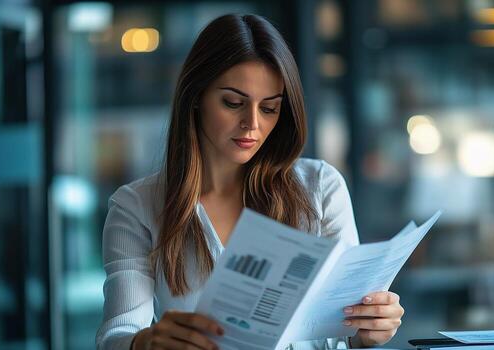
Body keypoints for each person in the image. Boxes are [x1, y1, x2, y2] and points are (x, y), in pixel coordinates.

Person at [96, 14, 405, 350]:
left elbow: (344, 328)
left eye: (270, 108)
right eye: (233, 103)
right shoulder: (137, 207)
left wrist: (369, 328)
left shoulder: (320, 187)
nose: (252, 124)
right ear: (196, 95)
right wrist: (146, 343)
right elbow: (116, 335)